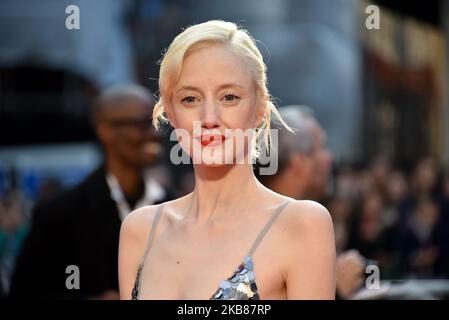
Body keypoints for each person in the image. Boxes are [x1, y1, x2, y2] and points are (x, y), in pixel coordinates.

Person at [118, 20, 336, 300]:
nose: (209, 119)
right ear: (170, 113)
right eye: (190, 99)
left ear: (259, 109)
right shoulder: (139, 230)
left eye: (229, 97)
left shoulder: (302, 225)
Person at [9, 84, 175, 299]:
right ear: (105, 131)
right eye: (142, 124)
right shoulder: (60, 215)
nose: (155, 133)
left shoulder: (180, 208)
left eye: (158, 122)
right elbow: (23, 294)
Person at [257, 106, 366, 299]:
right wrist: (335, 290)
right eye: (322, 148)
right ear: (299, 162)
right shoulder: (267, 230)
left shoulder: (299, 221)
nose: (329, 158)